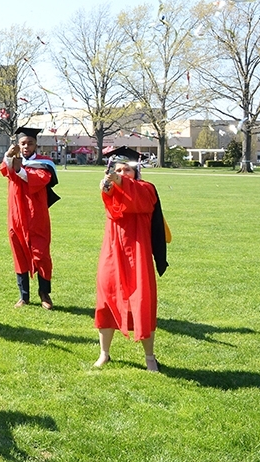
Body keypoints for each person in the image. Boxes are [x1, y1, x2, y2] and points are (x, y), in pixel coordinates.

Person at [94, 147, 169, 372]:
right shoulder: (115, 189)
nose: (122, 173)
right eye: (118, 169)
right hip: (112, 252)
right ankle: (104, 353)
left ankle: (150, 357)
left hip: (137, 254)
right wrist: (106, 189)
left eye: (127, 169)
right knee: (106, 299)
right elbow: (112, 206)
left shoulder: (146, 189)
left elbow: (137, 199)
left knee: (142, 301)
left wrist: (119, 182)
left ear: (136, 172)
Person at [0, 127, 60, 309]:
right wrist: (8, 156)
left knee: (41, 254)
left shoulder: (44, 163)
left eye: (30, 143)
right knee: (19, 253)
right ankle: (24, 296)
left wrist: (19, 169)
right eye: (23, 143)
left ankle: (44, 294)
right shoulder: (14, 160)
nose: (26, 146)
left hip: (36, 214)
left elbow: (40, 179)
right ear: (18, 144)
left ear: (36, 144)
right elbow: (3, 170)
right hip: (16, 214)